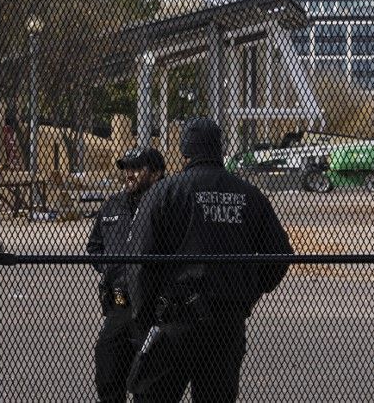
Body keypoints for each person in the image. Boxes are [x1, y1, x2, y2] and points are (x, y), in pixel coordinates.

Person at [125, 118, 292, 402]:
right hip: (226, 320)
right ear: (219, 149)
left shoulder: (165, 192)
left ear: (185, 152)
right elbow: (279, 256)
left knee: (154, 395)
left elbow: (139, 260)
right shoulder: (249, 195)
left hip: (175, 319)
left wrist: (144, 317)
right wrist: (248, 292)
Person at [87, 147, 166, 403]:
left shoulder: (165, 204)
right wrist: (111, 270)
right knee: (107, 370)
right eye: (126, 169)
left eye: (136, 168)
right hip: (119, 306)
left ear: (156, 174)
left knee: (147, 383)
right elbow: (95, 246)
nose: (129, 174)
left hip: (152, 308)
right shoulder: (113, 205)